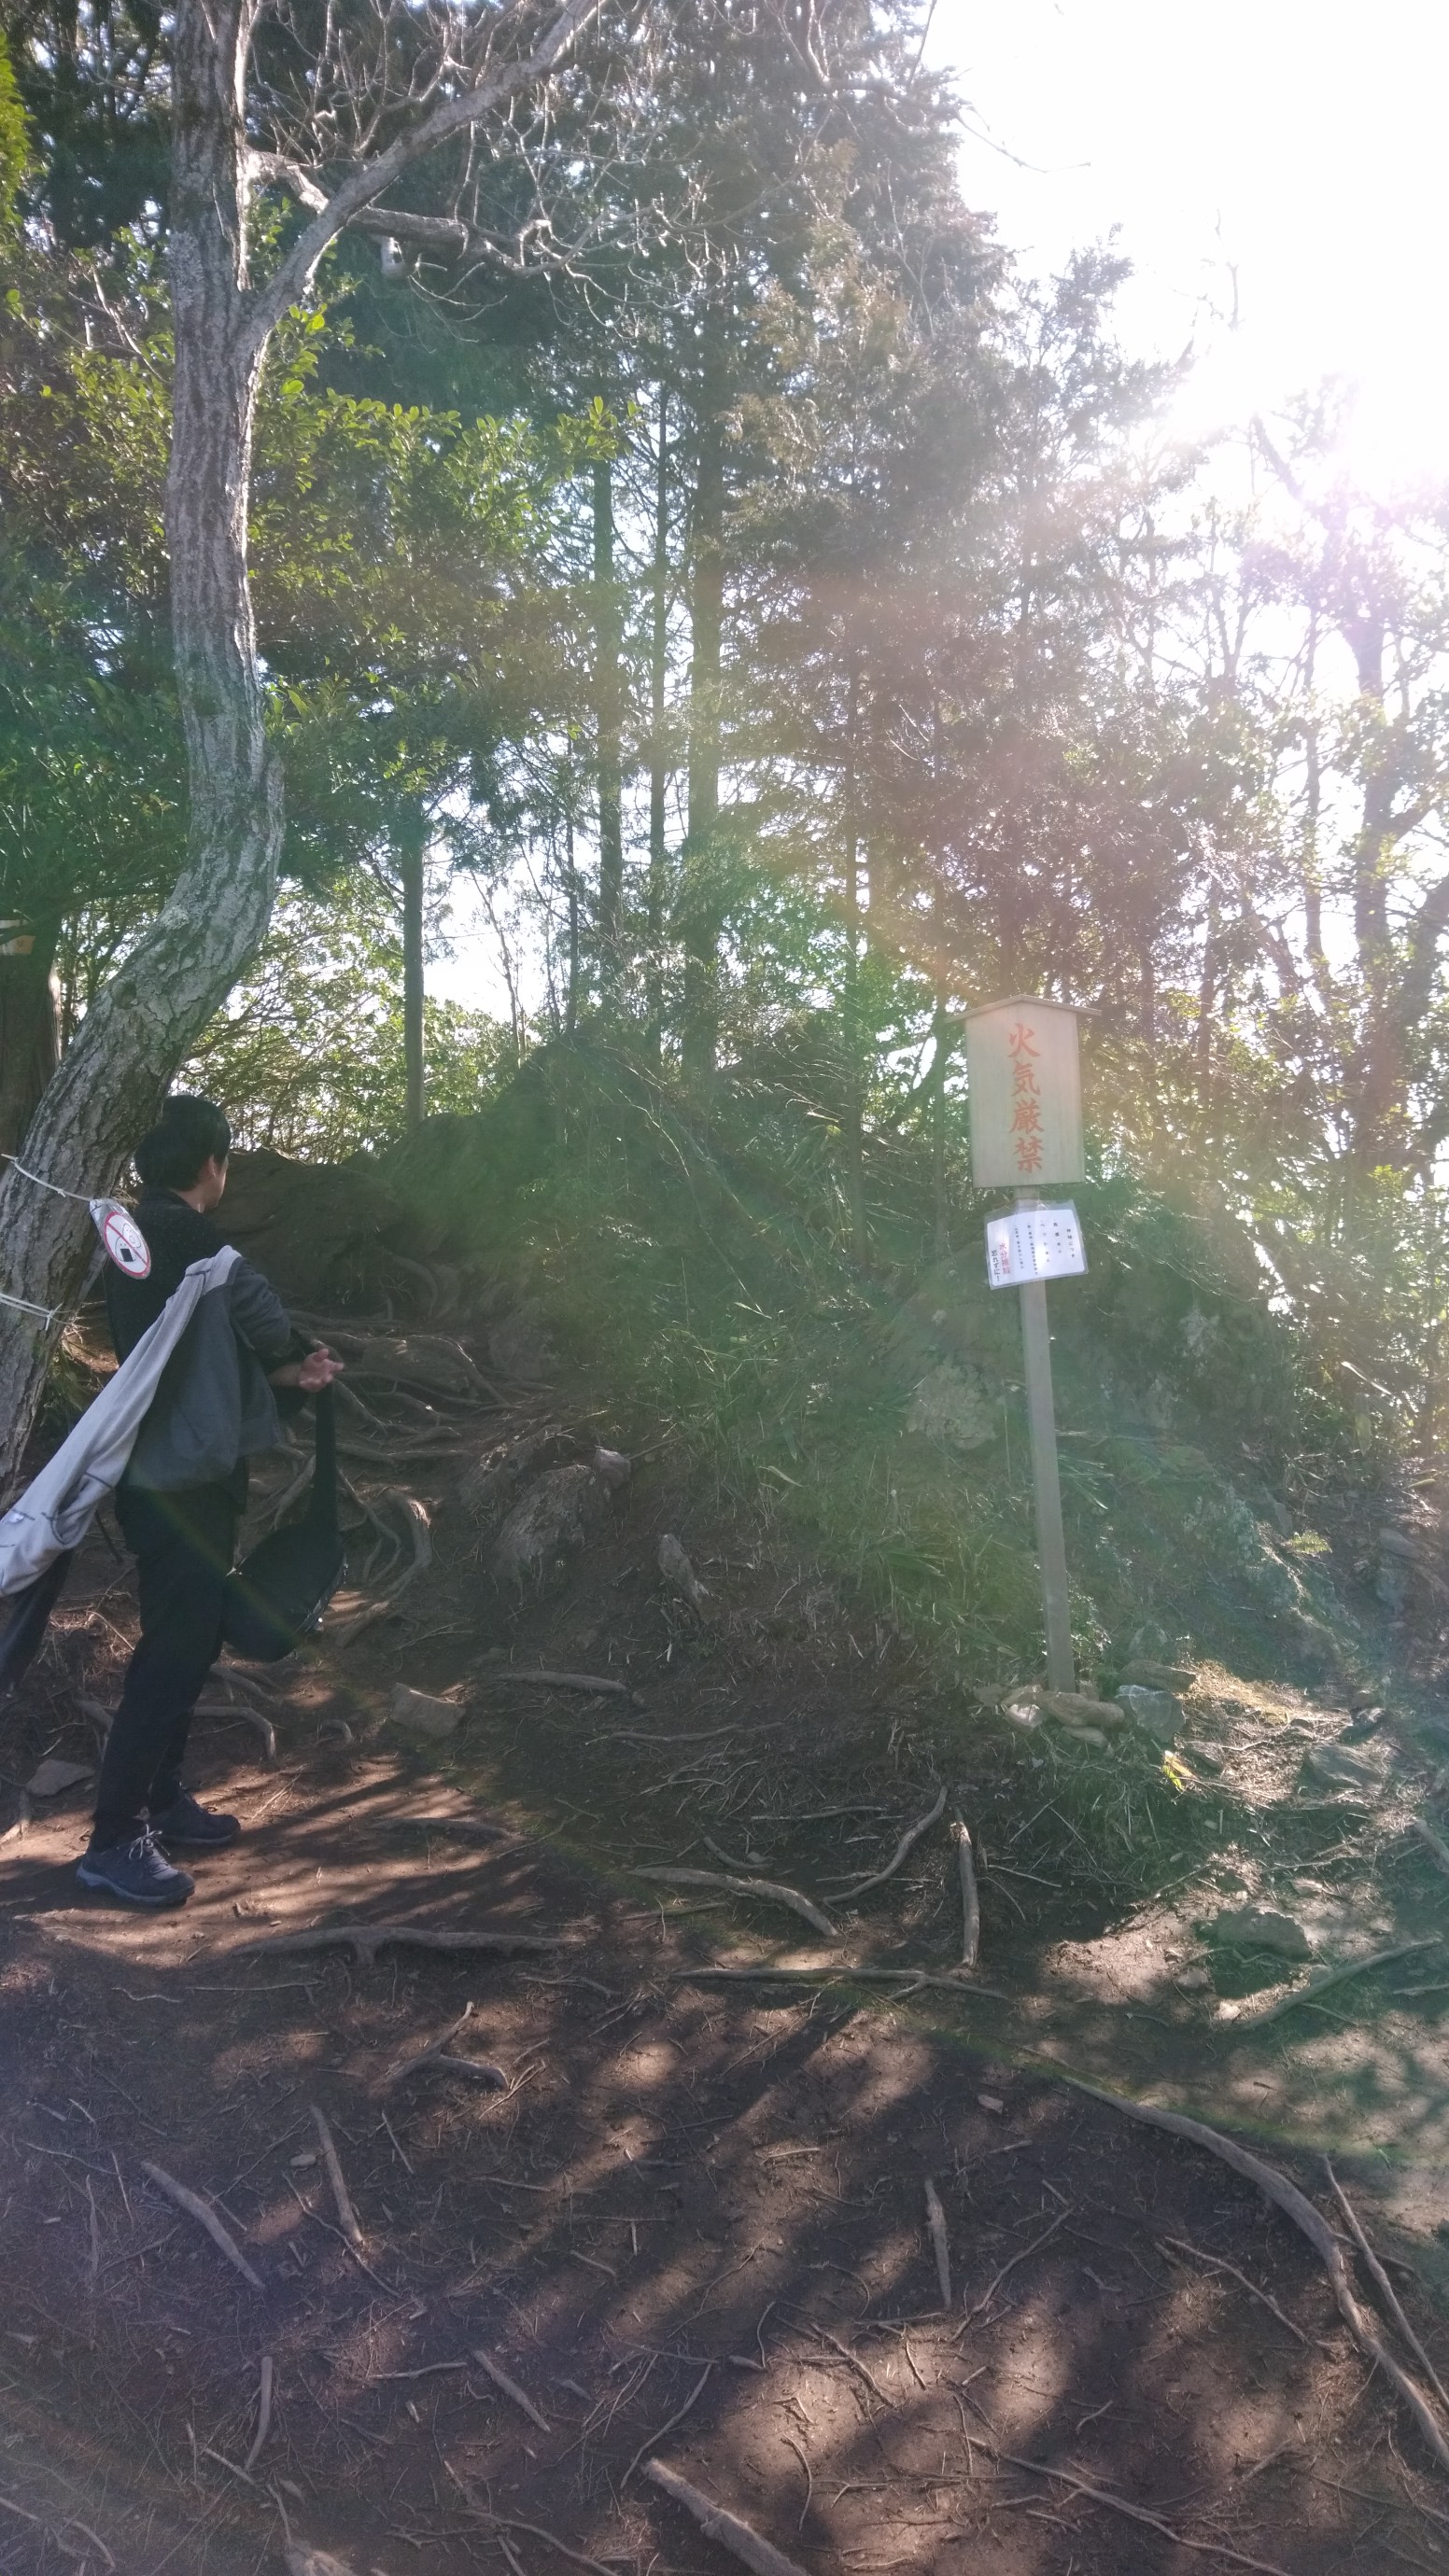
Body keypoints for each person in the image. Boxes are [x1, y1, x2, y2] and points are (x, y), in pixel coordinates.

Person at [77, 1096, 342, 1910]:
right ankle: (113, 1839)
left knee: (184, 1644)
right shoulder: (202, 1245)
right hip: (181, 1488)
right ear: (211, 1166)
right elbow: (263, 1318)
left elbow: (191, 1355)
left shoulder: (132, 1241)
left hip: (156, 1478)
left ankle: (162, 1802)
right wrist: (304, 1365)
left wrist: (280, 1374)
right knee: (172, 1653)